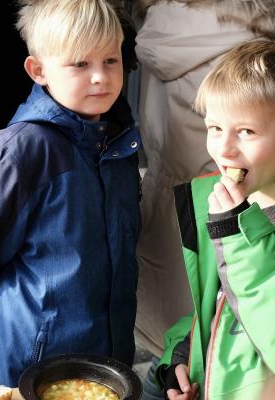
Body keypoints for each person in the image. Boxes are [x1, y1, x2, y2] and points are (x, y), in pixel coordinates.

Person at [0, 0, 141, 388]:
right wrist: (23, 319)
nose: (100, 77)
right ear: (39, 70)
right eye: (80, 64)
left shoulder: (119, 142)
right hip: (31, 361)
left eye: (110, 60)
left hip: (108, 359)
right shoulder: (22, 150)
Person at [134, 1, 275, 398]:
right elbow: (211, 305)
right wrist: (182, 356)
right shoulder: (216, 199)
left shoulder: (232, 216)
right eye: (213, 127)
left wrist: (232, 235)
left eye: (246, 130)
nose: (224, 149)